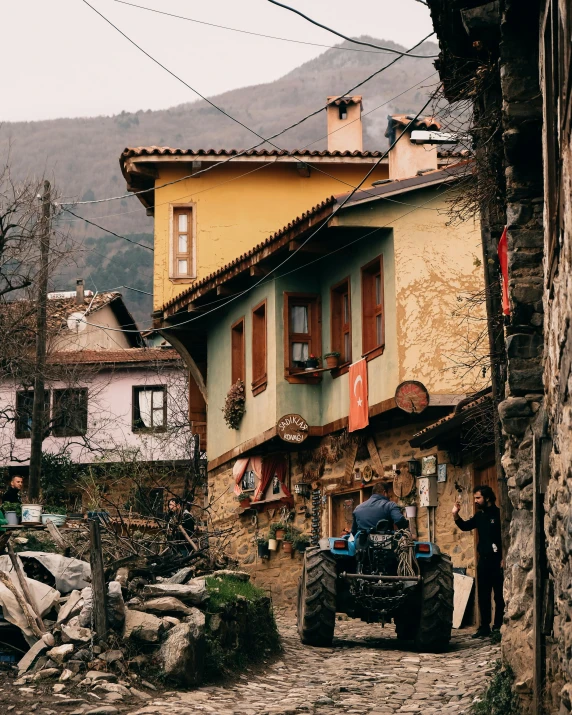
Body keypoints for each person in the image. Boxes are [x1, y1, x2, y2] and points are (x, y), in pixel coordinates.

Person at [452, 484, 505, 638]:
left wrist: (503, 558)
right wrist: (456, 515)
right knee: (483, 595)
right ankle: (484, 627)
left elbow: (504, 538)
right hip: (484, 561)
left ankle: (497, 626)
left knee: (499, 595)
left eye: (478, 498)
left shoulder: (499, 515)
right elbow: (465, 526)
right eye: (475, 498)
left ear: (487, 498)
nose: (475, 501)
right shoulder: (479, 516)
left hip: (497, 561)